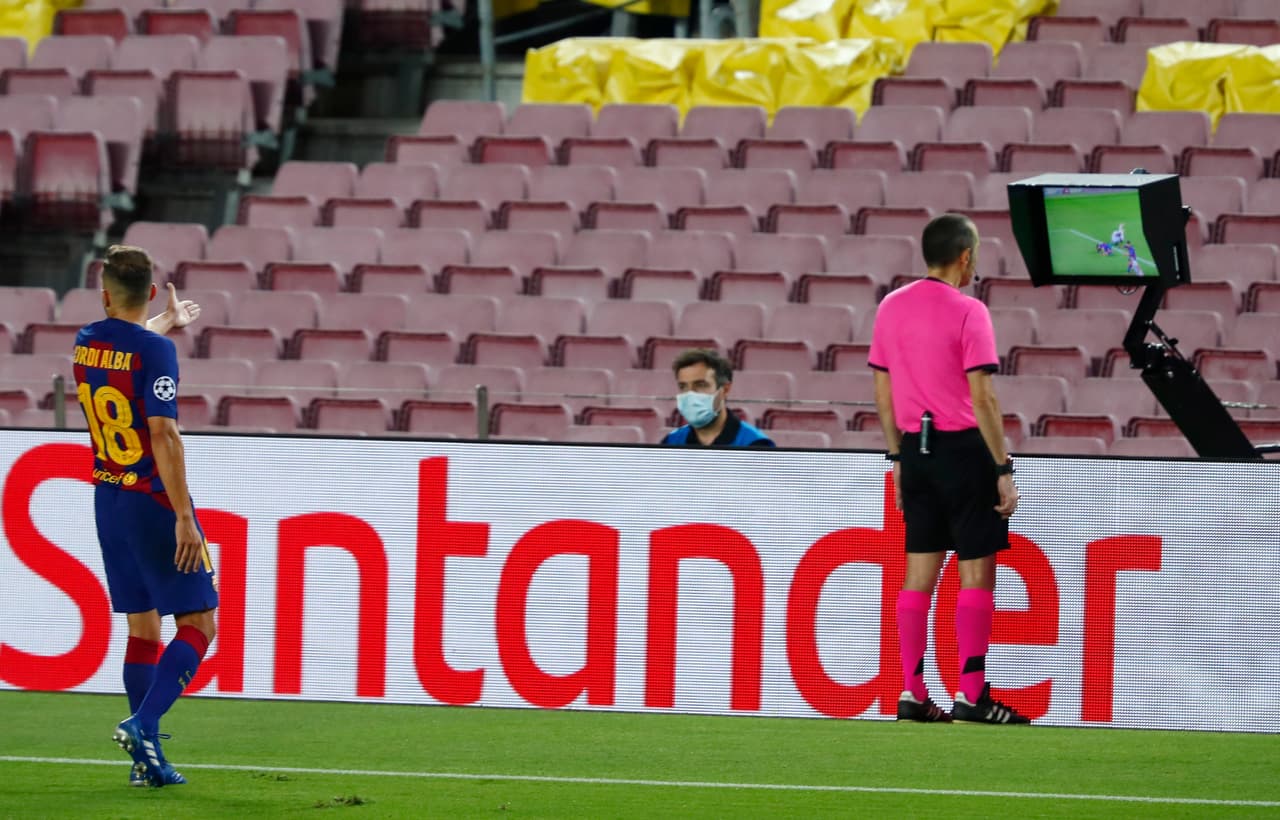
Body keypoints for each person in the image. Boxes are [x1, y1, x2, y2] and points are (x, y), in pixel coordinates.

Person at [867, 214, 1028, 725]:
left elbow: (882, 391)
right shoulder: (969, 311)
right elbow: (983, 393)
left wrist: (896, 458)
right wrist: (1002, 465)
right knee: (976, 569)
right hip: (963, 449)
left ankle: (912, 692)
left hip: (915, 451)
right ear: (965, 256)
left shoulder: (891, 307)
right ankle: (971, 694)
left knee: (919, 573)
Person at [72, 245, 218, 786]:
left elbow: (125, 347)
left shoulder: (86, 342)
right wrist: (184, 516)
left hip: (107, 497)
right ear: (152, 290)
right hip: (152, 499)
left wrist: (166, 324)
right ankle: (144, 723)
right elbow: (164, 432)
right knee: (200, 621)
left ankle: (145, 762)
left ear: (104, 292)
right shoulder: (156, 351)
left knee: (142, 624)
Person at [660, 348, 775, 448]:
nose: (690, 394)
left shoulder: (756, 444)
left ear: (725, 390)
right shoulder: (671, 443)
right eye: (683, 386)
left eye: (701, 385)